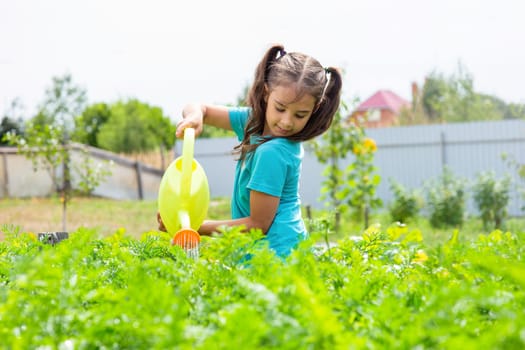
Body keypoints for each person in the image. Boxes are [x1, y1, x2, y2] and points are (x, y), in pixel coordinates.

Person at [158, 44, 342, 258]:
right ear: (266, 93)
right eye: (280, 108)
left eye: (300, 115)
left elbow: (257, 225)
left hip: (277, 255)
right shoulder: (254, 122)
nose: (286, 121)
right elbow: (201, 108)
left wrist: (196, 227)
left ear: (315, 109)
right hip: (271, 251)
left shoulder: (273, 153)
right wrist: (195, 116)